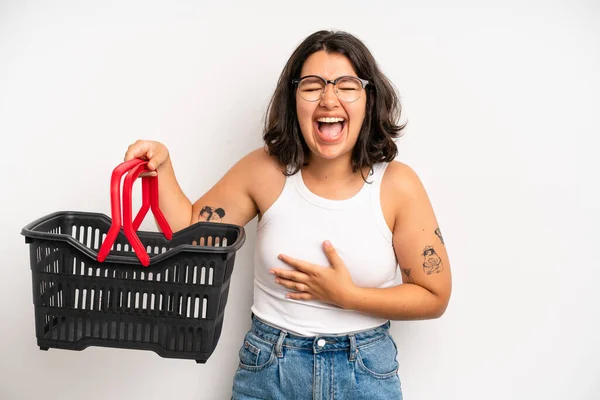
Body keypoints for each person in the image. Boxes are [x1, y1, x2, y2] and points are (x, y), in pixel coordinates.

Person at [124, 30, 452, 399]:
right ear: (293, 99)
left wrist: (348, 296)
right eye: (312, 86)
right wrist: (162, 169)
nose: (329, 99)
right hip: (269, 371)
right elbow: (188, 233)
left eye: (346, 85)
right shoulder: (264, 171)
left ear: (369, 98)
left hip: (364, 372)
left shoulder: (399, 185)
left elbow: (433, 295)